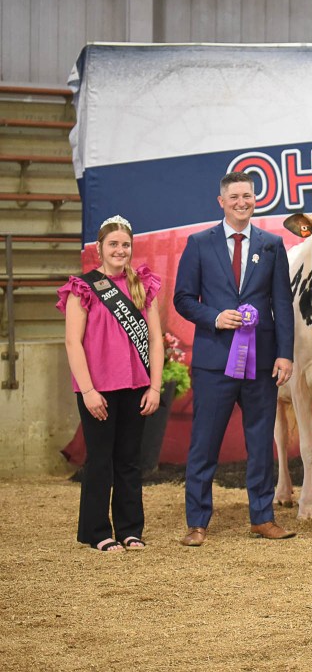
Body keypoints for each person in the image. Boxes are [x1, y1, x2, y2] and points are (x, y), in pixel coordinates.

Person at [173, 171, 296, 547]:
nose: (242, 202)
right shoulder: (198, 243)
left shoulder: (272, 245)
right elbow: (183, 299)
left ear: (255, 200)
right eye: (235, 197)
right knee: (204, 443)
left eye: (248, 196)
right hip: (214, 362)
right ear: (221, 202)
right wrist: (213, 317)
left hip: (262, 363)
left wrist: (285, 354)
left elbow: (282, 303)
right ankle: (197, 522)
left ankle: (263, 518)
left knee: (260, 443)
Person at [58, 215, 164, 552]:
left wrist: (155, 387)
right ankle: (97, 532)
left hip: (136, 386)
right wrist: (88, 391)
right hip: (97, 389)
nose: (120, 250)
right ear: (100, 247)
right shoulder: (83, 287)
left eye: (125, 244)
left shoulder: (142, 285)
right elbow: (72, 342)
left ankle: (130, 529)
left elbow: (155, 340)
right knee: (100, 460)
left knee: (129, 460)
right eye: (113, 244)